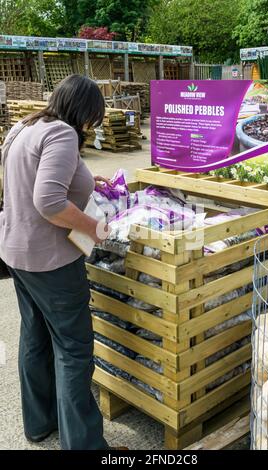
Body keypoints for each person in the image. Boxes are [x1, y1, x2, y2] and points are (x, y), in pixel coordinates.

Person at [0, 74, 126, 450]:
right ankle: (85, 445)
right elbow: (50, 202)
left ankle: (40, 424)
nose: (91, 125)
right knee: (73, 350)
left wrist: (85, 179)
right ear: (82, 109)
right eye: (92, 116)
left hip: (16, 251)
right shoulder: (62, 133)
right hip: (51, 260)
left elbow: (25, 179)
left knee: (35, 337)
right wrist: (95, 228)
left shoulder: (25, 126)